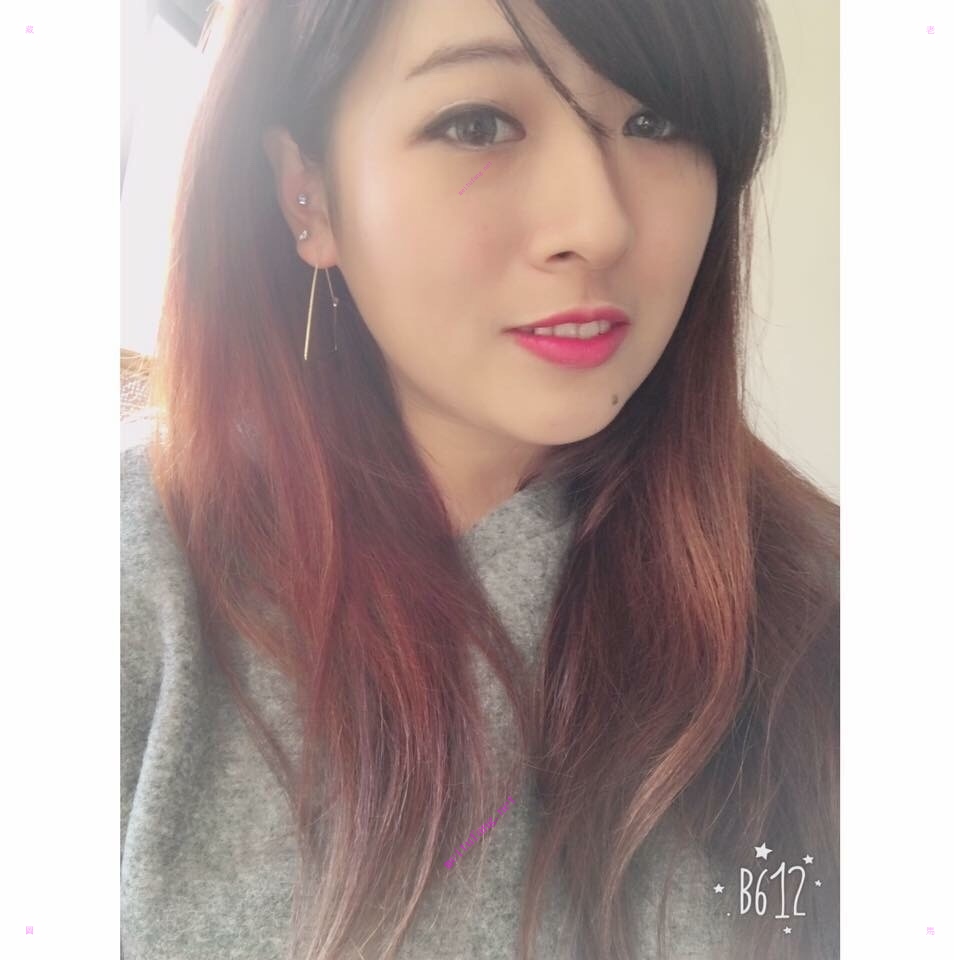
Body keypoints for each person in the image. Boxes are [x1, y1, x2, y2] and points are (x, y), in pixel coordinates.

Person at [120, 0, 839, 958]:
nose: (599, 224)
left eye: (656, 119)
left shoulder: (824, 618)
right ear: (306, 192)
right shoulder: (127, 572)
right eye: (476, 124)